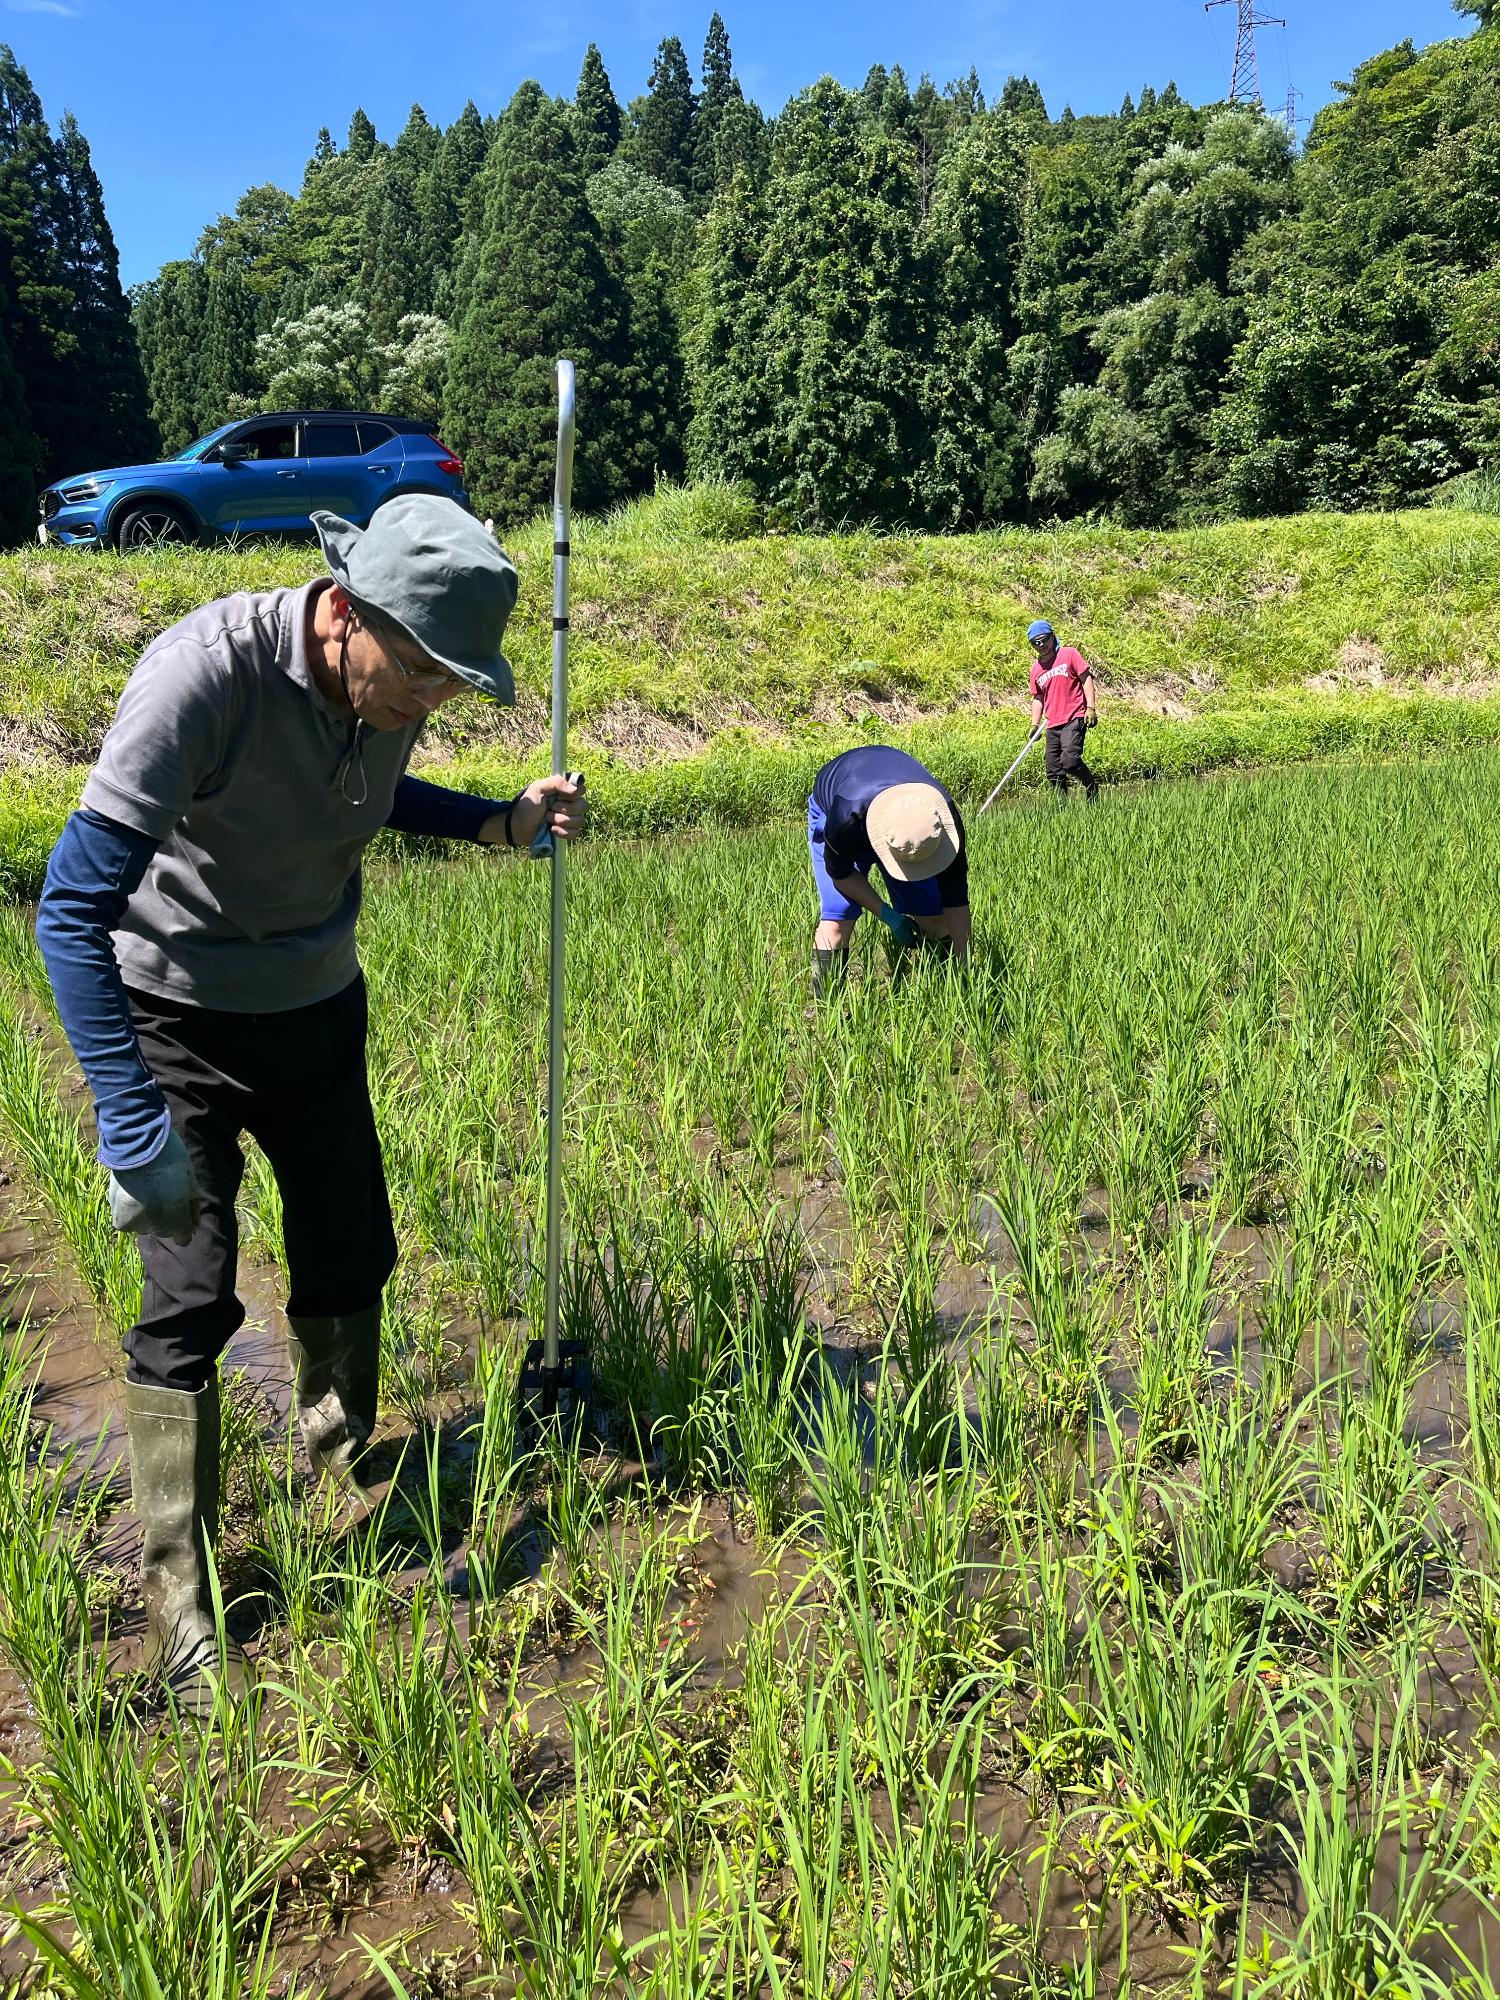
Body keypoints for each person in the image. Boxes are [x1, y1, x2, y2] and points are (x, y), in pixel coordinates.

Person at [34, 495, 586, 1714]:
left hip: (318, 1007)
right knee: (190, 1297)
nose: (427, 704)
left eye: (454, 685)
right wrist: (130, 1123)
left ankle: (344, 1456)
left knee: (352, 1243)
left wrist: (499, 818)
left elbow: (375, 792)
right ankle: (186, 1609)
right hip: (176, 1018)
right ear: (343, 613)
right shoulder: (202, 677)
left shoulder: (384, 689)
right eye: (420, 676)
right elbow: (69, 909)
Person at [808, 745, 970, 998]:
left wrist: (966, 972)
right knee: (838, 918)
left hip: (904, 816)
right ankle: (826, 1013)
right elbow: (841, 875)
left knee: (933, 916)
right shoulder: (844, 821)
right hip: (843, 805)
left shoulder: (942, 825)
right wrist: (888, 916)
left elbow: (956, 902)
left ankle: (950, 992)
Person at [1028, 619, 1099, 802]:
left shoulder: (1069, 654)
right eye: (1036, 642)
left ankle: (1091, 786)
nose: (1041, 645)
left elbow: (1086, 679)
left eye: (1044, 639)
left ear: (1052, 636)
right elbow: (1038, 698)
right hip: (1053, 723)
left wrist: (1090, 707)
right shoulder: (1036, 669)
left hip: (1074, 717)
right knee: (1053, 771)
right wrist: (1034, 725)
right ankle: (1062, 810)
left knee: (1069, 761)